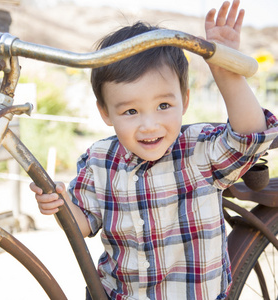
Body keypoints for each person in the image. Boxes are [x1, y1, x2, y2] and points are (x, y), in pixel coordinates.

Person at [30, 1, 278, 299]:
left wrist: (226, 72)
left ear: (184, 101)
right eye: (131, 111)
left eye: (163, 106)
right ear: (106, 112)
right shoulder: (98, 161)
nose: (149, 125)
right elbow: (83, 224)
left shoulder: (199, 151)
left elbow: (249, 136)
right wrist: (59, 203)